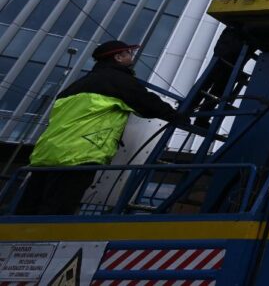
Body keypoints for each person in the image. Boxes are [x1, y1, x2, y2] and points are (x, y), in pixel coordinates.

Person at [15, 40, 180, 215]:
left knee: (29, 206)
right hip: (79, 154)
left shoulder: (76, 85)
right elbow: (147, 103)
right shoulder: (118, 80)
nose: (131, 56)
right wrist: (177, 117)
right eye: (128, 53)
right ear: (118, 57)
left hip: (47, 153)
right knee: (59, 207)